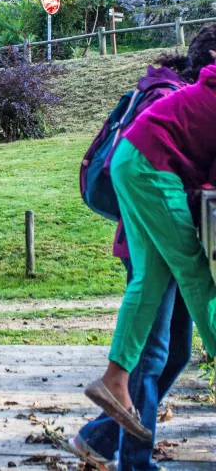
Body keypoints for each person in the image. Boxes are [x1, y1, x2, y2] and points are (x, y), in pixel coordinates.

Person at [84, 26, 216, 443]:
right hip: (149, 165)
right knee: (194, 271)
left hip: (133, 159)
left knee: (152, 278)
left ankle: (114, 378)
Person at [70, 57, 194, 471]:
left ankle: (101, 437)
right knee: (152, 354)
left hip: (167, 240)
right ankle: (135, 462)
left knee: (175, 352)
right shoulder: (165, 98)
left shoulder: (161, 92)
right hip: (152, 241)